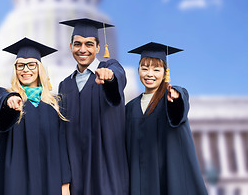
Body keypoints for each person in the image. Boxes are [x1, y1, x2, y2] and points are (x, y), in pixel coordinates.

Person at [125, 42, 208, 195]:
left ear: (165, 73)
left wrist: (176, 97)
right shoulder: (130, 108)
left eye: (156, 69)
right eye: (144, 69)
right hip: (139, 180)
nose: (150, 74)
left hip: (166, 177)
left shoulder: (169, 98)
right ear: (138, 71)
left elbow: (179, 107)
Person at [0, 37, 71, 195]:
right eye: (20, 65)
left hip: (48, 177)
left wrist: (65, 184)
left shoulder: (54, 104)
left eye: (31, 65)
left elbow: (61, 147)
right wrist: (10, 101)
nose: (25, 70)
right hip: (14, 178)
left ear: (39, 68)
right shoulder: (6, 95)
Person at [58, 18, 128, 195]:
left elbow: (117, 79)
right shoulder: (65, 85)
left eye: (89, 44)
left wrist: (109, 78)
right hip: (76, 174)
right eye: (77, 44)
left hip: (105, 169)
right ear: (71, 47)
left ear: (98, 48)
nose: (83, 49)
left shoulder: (110, 68)